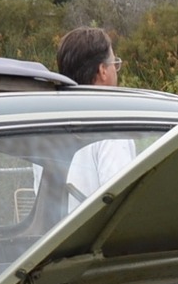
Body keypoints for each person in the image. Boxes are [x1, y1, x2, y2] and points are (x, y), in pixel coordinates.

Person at [56, 26, 136, 206]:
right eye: (115, 63)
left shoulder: (48, 122)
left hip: (56, 233)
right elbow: (119, 202)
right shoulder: (110, 126)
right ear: (103, 71)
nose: (117, 70)